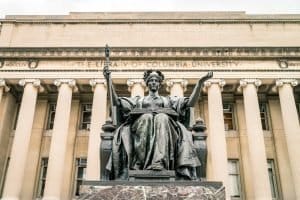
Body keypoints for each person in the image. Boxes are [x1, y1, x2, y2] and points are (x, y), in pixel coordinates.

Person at [103, 68, 213, 180]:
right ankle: (141, 163)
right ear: (147, 83)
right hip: (141, 125)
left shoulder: (168, 101)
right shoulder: (139, 101)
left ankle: (159, 162)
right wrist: (108, 80)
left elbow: (190, 103)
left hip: (166, 126)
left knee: (162, 117)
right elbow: (117, 102)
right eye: (151, 80)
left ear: (160, 84)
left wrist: (200, 83)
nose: (154, 82)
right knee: (147, 117)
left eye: (156, 80)